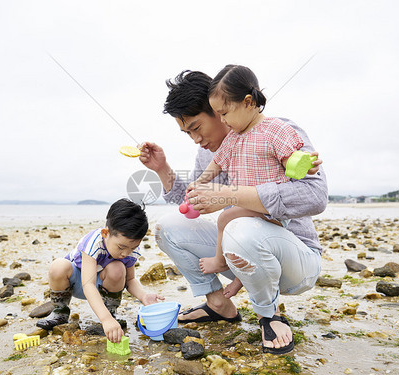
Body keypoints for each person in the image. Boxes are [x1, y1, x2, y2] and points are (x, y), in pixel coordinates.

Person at [139, 70, 327, 354]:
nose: (195, 139)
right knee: (168, 227)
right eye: (186, 132)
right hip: (247, 252)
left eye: (196, 127)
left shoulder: (276, 131)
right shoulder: (209, 153)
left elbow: (315, 195)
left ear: (219, 110)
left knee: (239, 228)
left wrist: (230, 195)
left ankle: (269, 316)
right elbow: (190, 201)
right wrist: (162, 169)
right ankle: (219, 305)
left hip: (294, 257)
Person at [188, 65, 320, 298]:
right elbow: (217, 162)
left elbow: (291, 158)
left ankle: (221, 262)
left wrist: (305, 166)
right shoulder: (234, 138)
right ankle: (242, 278)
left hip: (273, 213)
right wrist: (200, 182)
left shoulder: (275, 130)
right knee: (234, 227)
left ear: (248, 102)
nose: (223, 121)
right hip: (249, 210)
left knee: (226, 217)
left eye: (225, 113)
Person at [36, 198, 164, 343]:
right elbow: (88, 284)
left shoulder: (129, 250)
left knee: (117, 268)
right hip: (79, 283)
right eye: (121, 247)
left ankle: (110, 311)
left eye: (132, 248)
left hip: (104, 287)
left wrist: (143, 296)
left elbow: (129, 280)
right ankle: (60, 311)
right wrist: (105, 320)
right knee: (58, 266)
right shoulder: (93, 243)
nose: (125, 253)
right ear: (105, 233)